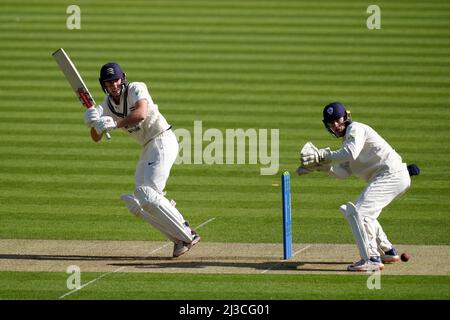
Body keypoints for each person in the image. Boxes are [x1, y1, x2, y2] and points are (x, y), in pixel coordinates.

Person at [83, 62, 200, 257]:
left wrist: (114, 124)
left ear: (123, 78)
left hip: (162, 139)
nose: (113, 85)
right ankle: (178, 238)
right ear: (103, 84)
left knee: (149, 193)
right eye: (108, 82)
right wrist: (94, 124)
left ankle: (187, 232)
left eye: (115, 80)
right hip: (148, 147)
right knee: (139, 201)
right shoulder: (106, 105)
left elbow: (141, 114)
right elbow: (95, 138)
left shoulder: (136, 88)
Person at [299, 102, 415, 271]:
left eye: (338, 120)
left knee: (359, 212)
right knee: (367, 213)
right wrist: (321, 166)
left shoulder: (356, 130)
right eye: (331, 123)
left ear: (346, 117)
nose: (336, 126)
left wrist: (323, 154)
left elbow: (350, 153)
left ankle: (372, 259)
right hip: (391, 177)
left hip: (391, 175)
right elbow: (343, 172)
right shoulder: (348, 142)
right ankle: (387, 251)